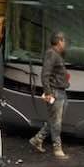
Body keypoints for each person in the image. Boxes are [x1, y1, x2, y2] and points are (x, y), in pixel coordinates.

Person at [29, 32, 71, 160]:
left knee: (55, 120)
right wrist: (48, 92)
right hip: (55, 91)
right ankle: (57, 148)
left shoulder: (57, 54)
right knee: (56, 122)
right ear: (59, 41)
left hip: (61, 91)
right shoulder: (51, 54)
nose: (65, 44)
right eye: (64, 41)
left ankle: (37, 139)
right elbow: (45, 74)